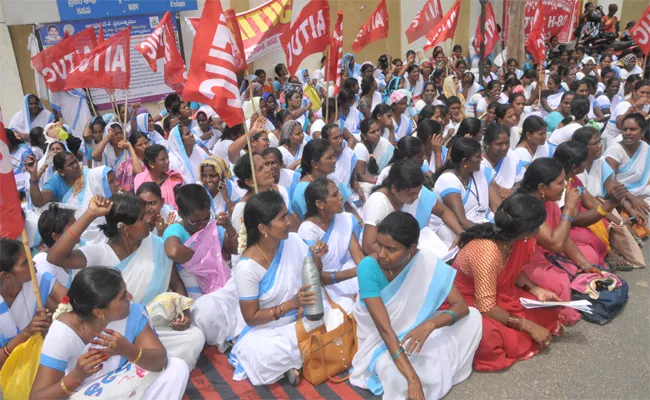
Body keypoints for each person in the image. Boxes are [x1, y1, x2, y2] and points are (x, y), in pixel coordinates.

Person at [46, 194, 205, 369]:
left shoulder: (158, 245)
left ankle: (145, 364)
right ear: (124, 227)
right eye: (141, 217)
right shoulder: (100, 253)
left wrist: (184, 312)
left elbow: (176, 283)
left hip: (153, 327)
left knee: (195, 337)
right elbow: (55, 257)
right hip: (115, 332)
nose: (149, 219)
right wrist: (90, 214)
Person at [351, 211, 481, 399]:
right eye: (379, 245)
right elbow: (385, 329)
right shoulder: (368, 268)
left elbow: (461, 306)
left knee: (474, 318)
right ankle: (424, 374)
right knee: (396, 375)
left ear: (411, 249)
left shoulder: (425, 260)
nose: (382, 254)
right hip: (380, 341)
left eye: (391, 249)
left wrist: (430, 325)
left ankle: (430, 372)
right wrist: (412, 379)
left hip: (417, 330)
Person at [229, 191, 354, 385]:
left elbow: (315, 275)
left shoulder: (293, 241)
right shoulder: (246, 268)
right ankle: (312, 352)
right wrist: (290, 304)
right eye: (282, 218)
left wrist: (316, 258)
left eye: (287, 214)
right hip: (272, 329)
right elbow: (251, 318)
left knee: (348, 307)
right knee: (267, 354)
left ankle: (303, 357)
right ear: (263, 228)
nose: (289, 221)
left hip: (306, 316)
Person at [31, 268, 189, 399]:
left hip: (125, 385)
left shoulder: (132, 312)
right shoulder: (64, 331)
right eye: (122, 296)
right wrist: (76, 377)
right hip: (86, 393)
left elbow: (160, 361)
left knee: (177, 367)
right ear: (100, 312)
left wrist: (127, 350)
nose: (130, 297)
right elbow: (37, 397)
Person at [452, 193, 563, 371]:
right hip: (469, 302)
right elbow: (486, 307)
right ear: (528, 232)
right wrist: (528, 326)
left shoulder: (515, 239)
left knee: (548, 306)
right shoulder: (487, 251)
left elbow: (513, 269)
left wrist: (535, 290)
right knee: (490, 338)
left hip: (499, 294)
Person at [518, 158, 604, 326]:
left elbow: (565, 239)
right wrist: (569, 209)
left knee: (589, 257)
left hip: (548, 253)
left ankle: (577, 283)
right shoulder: (526, 206)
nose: (565, 186)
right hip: (526, 261)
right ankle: (564, 312)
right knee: (560, 281)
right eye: (560, 182)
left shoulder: (547, 202)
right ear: (543, 188)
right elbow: (556, 244)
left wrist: (585, 265)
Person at [553, 141, 630, 270]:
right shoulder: (560, 184)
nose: (587, 163)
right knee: (590, 246)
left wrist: (619, 222)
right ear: (574, 166)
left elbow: (590, 201)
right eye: (585, 161)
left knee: (603, 222)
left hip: (574, 221)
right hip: (563, 226)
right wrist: (609, 204)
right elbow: (573, 219)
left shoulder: (574, 178)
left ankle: (605, 253)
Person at [362, 160, 462, 254]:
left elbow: (443, 211)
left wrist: (460, 233)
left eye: (418, 192)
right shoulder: (378, 203)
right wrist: (407, 254)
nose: (416, 197)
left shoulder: (415, 190)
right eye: (411, 194)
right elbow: (368, 246)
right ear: (394, 188)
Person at [0, 238, 66, 370]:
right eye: (25, 262)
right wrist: (27, 333)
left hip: (44, 363)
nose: (33, 262)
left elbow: (75, 305)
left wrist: (54, 323)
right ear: (5, 276)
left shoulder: (41, 280)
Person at [163, 184, 236, 299]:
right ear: (182, 214)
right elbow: (173, 251)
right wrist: (205, 259)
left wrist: (229, 227)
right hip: (192, 299)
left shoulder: (212, 229)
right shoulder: (176, 230)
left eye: (206, 218)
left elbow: (235, 249)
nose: (202, 224)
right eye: (195, 221)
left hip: (220, 295)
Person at [299, 178, 364, 298]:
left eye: (339, 192)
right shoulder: (308, 229)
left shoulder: (345, 218)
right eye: (335, 195)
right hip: (323, 284)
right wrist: (355, 272)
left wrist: (365, 271)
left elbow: (358, 257)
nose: (341, 197)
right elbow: (314, 276)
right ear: (319, 204)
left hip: (346, 275)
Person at [433, 138, 498, 234]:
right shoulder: (448, 180)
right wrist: (490, 233)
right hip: (459, 232)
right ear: (465, 162)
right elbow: (462, 222)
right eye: (478, 157)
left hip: (485, 225)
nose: (481, 159)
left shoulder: (482, 172)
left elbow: (497, 207)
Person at [605, 114, 650, 225]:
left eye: (633, 129)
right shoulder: (614, 151)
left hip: (644, 194)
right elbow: (609, 181)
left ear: (642, 132)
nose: (628, 133)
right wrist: (633, 199)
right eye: (625, 129)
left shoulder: (646, 148)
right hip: (620, 198)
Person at [602, 80, 650, 149]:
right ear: (634, 92)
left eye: (648, 93)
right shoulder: (624, 105)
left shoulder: (646, 106)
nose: (645, 96)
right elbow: (619, 125)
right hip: (613, 139)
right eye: (642, 92)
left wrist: (647, 117)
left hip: (631, 139)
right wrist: (633, 107)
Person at [482, 124, 524, 199]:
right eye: (499, 144)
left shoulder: (510, 155)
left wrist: (512, 191)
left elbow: (522, 179)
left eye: (507, 142)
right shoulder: (480, 164)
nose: (504, 147)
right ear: (487, 143)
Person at [354, 119, 395, 197]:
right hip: (366, 183)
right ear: (364, 136)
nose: (377, 134)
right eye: (372, 132)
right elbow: (360, 176)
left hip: (380, 178)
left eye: (378, 130)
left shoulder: (382, 142)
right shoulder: (360, 148)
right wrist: (379, 182)